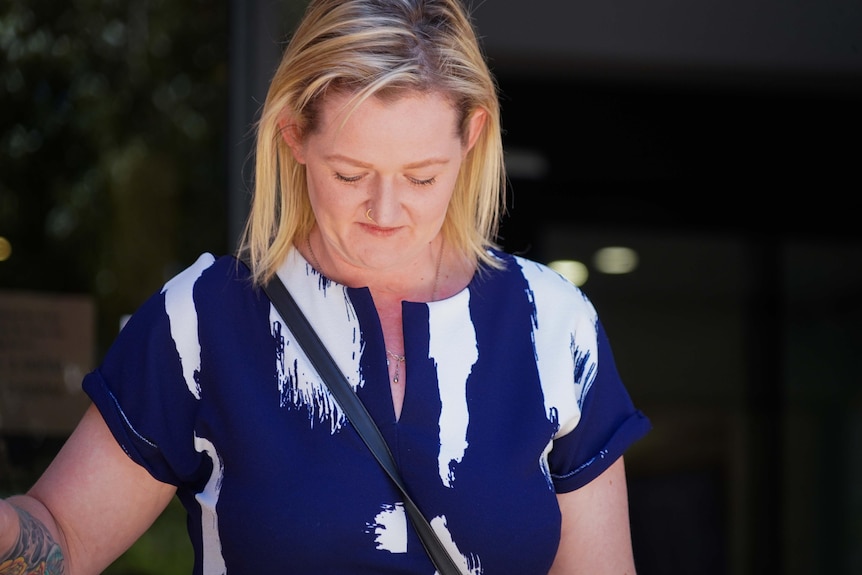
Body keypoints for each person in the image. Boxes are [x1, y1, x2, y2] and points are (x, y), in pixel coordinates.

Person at [0, 0, 651, 573]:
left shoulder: (553, 326)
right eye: (350, 173)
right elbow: (62, 535)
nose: (387, 209)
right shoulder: (204, 321)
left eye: (422, 177)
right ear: (294, 138)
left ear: (472, 138)